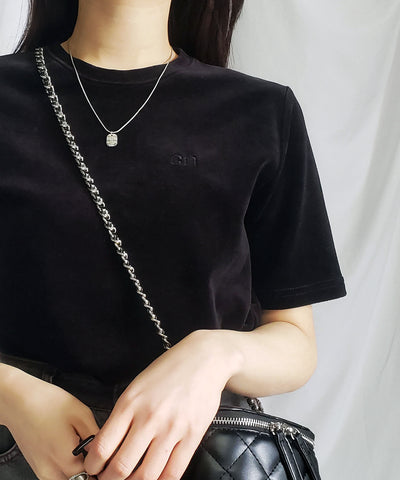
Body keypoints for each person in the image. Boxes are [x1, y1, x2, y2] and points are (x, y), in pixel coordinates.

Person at [0, 1, 347, 479]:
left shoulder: (262, 111)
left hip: (201, 457)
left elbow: (295, 341)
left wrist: (213, 355)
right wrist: (10, 394)